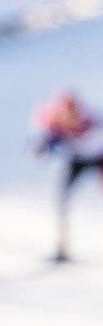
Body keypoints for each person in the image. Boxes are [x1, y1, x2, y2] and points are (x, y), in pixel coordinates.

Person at [33, 90, 103, 263]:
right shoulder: (54, 124)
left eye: (73, 114)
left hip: (99, 157)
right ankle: (62, 246)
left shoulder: (92, 121)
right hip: (76, 160)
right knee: (61, 199)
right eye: (66, 114)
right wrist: (45, 146)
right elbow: (39, 148)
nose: (70, 118)